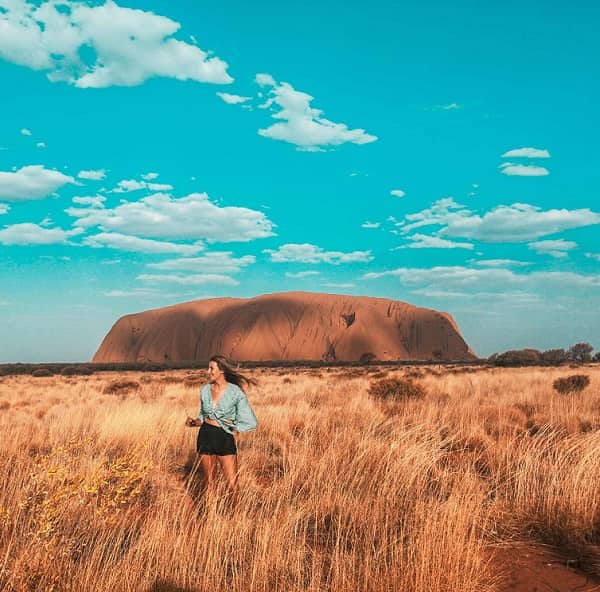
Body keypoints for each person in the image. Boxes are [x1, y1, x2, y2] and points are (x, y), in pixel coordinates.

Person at [185, 354, 258, 492]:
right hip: (205, 436)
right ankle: (211, 513)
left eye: (211, 368)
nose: (208, 372)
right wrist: (194, 422)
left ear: (222, 370)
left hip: (224, 437)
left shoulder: (235, 392)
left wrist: (234, 427)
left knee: (232, 485)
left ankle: (236, 514)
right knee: (209, 484)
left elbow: (251, 421)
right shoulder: (205, 390)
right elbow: (202, 415)